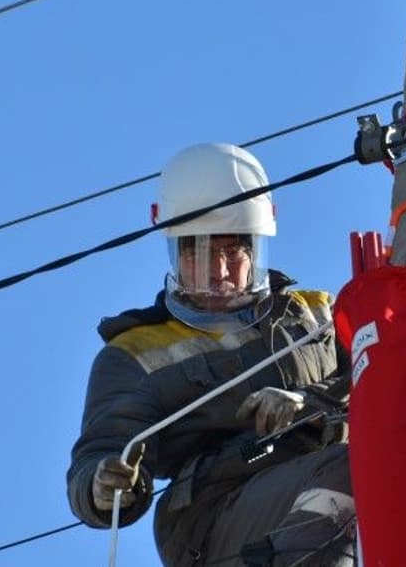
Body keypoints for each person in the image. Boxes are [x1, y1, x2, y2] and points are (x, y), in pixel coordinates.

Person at [66, 143, 355, 566]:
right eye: (198, 253)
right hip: (214, 514)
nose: (218, 272)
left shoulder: (314, 315)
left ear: (254, 250)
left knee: (399, 460)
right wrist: (102, 485)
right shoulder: (137, 353)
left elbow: (378, 378)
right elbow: (101, 451)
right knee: (356, 470)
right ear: (174, 253)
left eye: (231, 252)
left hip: (320, 477)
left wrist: (307, 404)